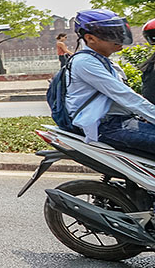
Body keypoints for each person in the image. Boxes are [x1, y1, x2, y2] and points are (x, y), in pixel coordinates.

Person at [65, 9, 155, 159]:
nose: (119, 38)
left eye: (120, 32)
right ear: (90, 38)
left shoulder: (101, 60)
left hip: (121, 122)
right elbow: (126, 96)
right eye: (112, 34)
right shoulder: (85, 62)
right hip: (108, 127)